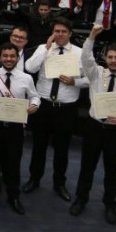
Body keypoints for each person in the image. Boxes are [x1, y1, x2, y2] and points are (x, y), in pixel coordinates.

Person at [69, 25, 116, 224]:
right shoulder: (96, 74)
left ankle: (110, 204)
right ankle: (81, 199)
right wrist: (91, 36)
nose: (113, 60)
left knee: (112, 171)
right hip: (94, 128)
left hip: (115, 131)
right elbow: (85, 58)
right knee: (86, 167)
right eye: (110, 57)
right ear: (105, 58)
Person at [23, 18, 83, 201]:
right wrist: (45, 49)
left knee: (62, 149)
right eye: (56, 31)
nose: (60, 34)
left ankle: (59, 183)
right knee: (39, 146)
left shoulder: (80, 53)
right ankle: (34, 178)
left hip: (66, 107)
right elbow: (29, 67)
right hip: (44, 105)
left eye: (63, 31)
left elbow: (92, 78)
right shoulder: (44, 49)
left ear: (70, 33)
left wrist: (76, 82)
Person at [0, 42, 40, 214]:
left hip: (15, 128)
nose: (8, 59)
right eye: (5, 56)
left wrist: (34, 105)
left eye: (12, 56)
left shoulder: (26, 78)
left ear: (17, 57)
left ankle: (13, 196)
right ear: (0, 57)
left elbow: (35, 97)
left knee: (13, 162)